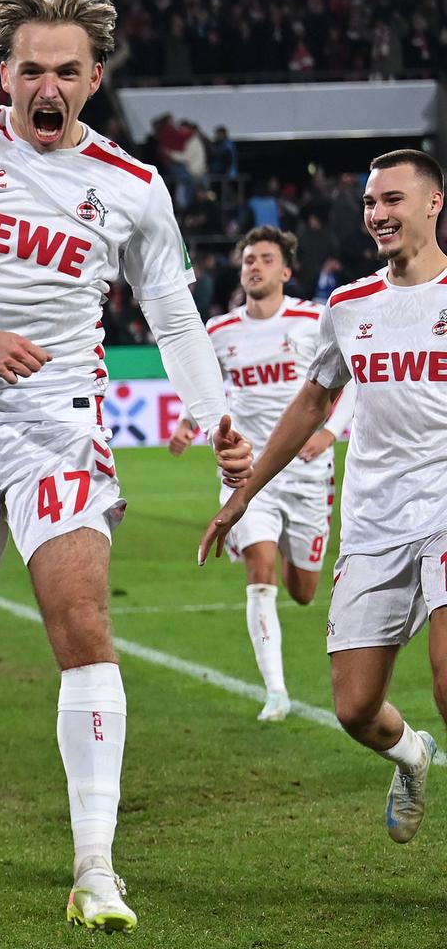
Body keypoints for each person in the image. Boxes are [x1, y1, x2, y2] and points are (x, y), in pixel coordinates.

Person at [0, 0, 251, 931]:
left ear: (93, 79)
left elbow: (171, 311)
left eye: (68, 71)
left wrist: (214, 420)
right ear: (4, 74)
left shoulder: (131, 186)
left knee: (82, 629)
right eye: (31, 68)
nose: (49, 86)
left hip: (59, 426)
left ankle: (96, 869)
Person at [200, 149, 447, 843]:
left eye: (393, 200)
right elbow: (314, 400)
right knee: (355, 707)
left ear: (433, 204)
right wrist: (242, 495)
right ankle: (410, 755)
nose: (378, 214)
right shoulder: (349, 306)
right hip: (374, 519)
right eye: (371, 203)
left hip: (444, 510)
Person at [169, 227, 355, 721]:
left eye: (266, 259)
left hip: (309, 473)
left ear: (286, 271)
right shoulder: (220, 330)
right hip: (249, 472)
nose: (254, 266)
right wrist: (190, 424)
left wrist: (330, 431)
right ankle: (276, 692)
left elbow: (353, 380)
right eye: (248, 259)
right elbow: (206, 387)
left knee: (304, 591)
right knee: (260, 567)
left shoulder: (315, 320)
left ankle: (282, 667)